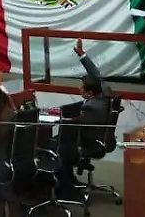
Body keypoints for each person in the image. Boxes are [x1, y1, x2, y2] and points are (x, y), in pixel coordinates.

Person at [52, 39, 113, 193]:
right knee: (60, 140)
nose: (79, 89)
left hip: (89, 141)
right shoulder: (105, 91)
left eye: (81, 88)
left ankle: (65, 188)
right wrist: (82, 55)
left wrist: (60, 120)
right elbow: (96, 74)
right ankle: (70, 179)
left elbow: (76, 128)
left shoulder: (89, 107)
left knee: (57, 146)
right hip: (103, 138)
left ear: (90, 92)